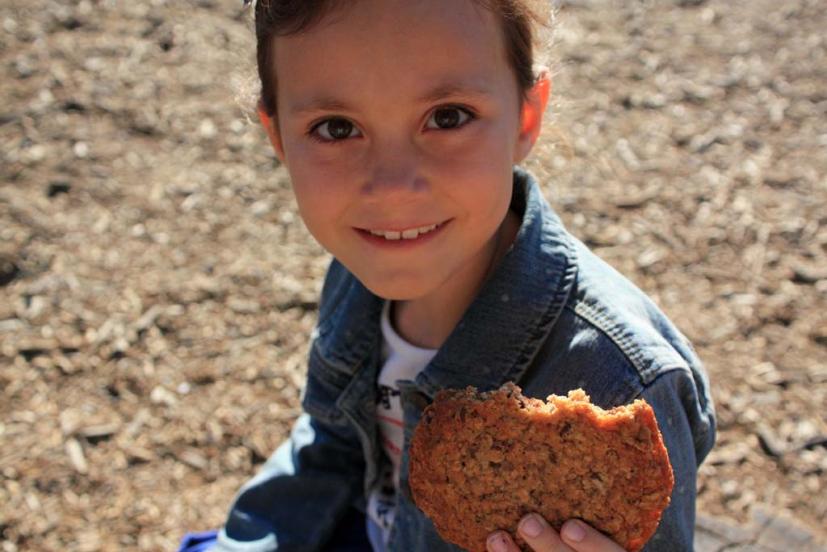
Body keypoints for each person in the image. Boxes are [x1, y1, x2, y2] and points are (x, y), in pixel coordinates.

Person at [180, 0, 716, 550]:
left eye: (448, 117)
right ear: (278, 138)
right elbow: (332, 444)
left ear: (526, 118)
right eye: (336, 128)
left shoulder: (620, 384)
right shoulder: (359, 267)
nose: (392, 186)